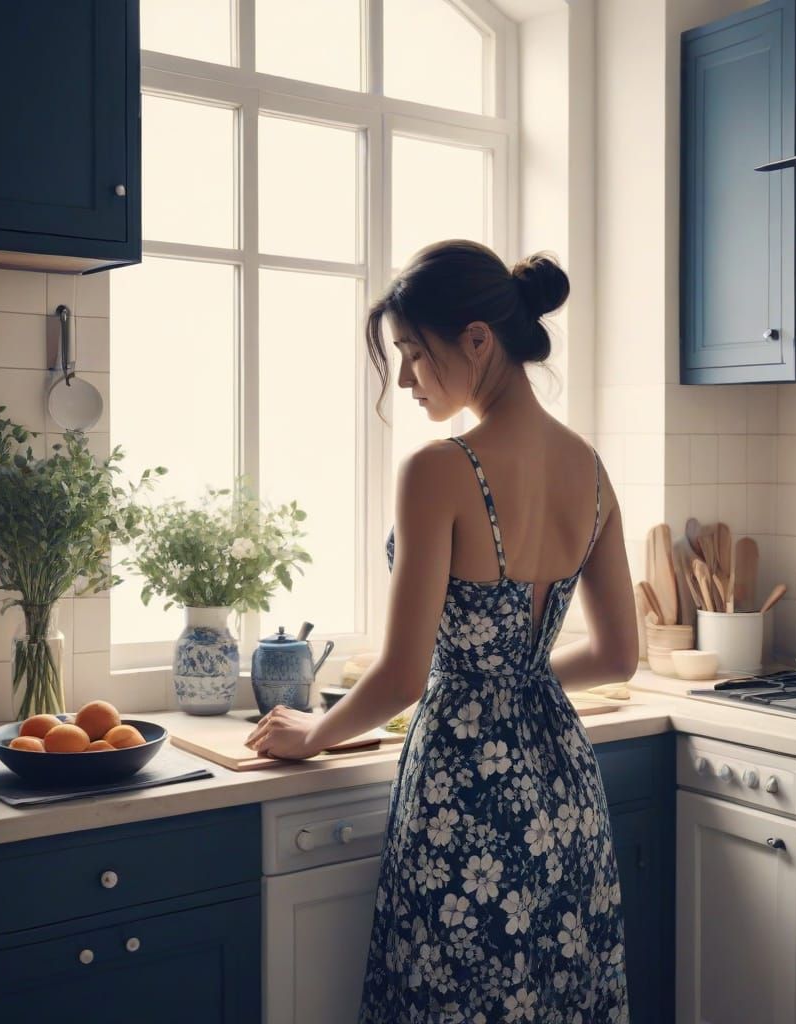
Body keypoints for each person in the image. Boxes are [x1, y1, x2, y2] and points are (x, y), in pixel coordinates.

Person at [245, 239, 638, 1021]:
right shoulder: (590, 469)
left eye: (412, 354)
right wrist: (517, 685)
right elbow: (621, 654)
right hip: (566, 795)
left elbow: (400, 675)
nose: (405, 379)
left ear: (477, 340)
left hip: (466, 794)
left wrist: (314, 734)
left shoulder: (438, 469)